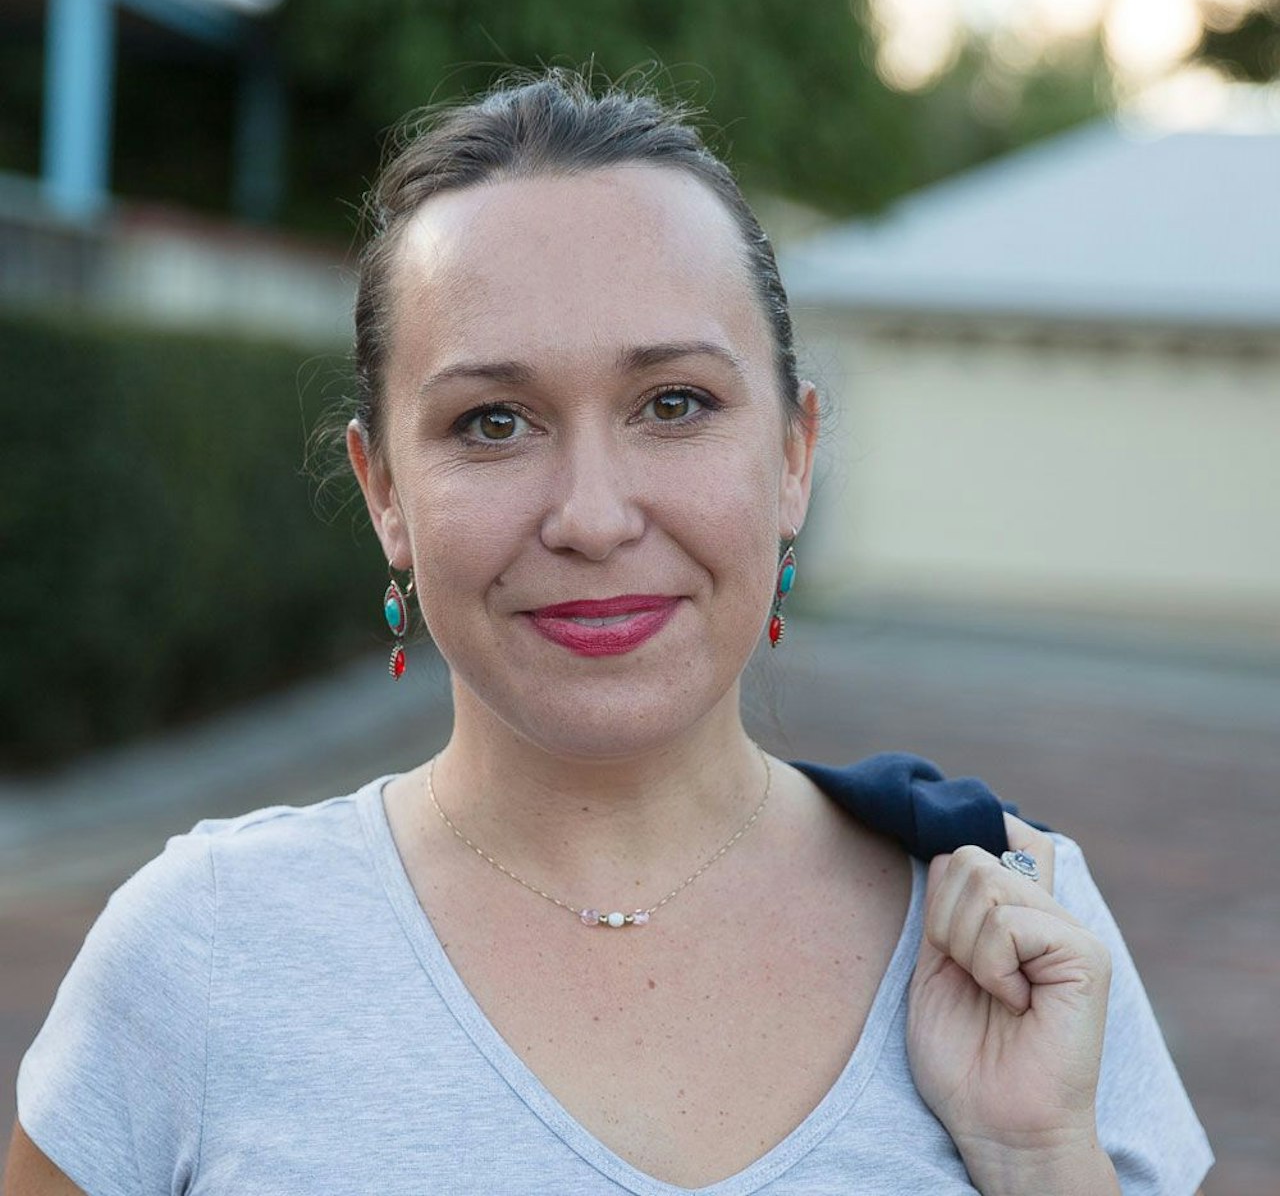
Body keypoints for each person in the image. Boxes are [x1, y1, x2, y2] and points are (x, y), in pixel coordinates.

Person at [7, 68, 1213, 1195]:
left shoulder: (1019, 922)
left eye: (673, 403)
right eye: (491, 422)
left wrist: (1035, 1150)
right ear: (384, 494)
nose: (590, 515)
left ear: (792, 456)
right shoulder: (203, 949)